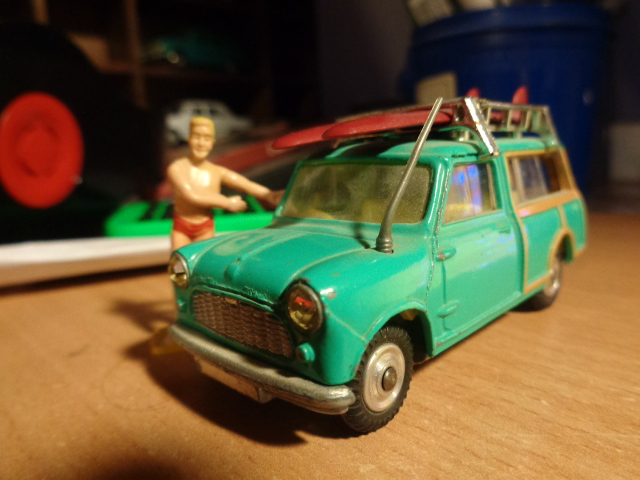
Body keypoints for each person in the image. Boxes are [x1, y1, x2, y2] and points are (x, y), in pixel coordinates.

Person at [167, 116, 282, 250]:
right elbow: (192, 196)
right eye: (197, 137)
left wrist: (269, 194)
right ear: (189, 139)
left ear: (212, 142)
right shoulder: (176, 168)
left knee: (204, 260)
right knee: (177, 260)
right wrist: (227, 203)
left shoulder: (217, 171)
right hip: (181, 227)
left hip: (205, 228)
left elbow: (246, 184)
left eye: (206, 139)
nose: (201, 143)